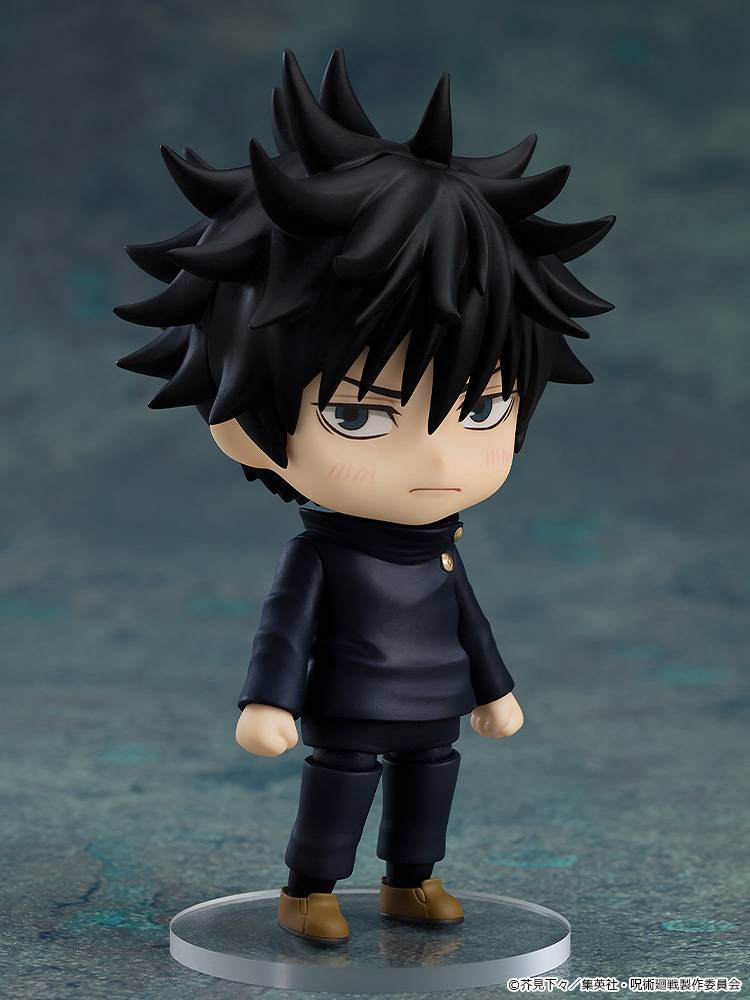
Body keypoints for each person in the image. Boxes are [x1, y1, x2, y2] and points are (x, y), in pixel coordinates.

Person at [115, 48, 614, 945]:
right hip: (347, 704)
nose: (440, 456)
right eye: (357, 414)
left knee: (431, 782)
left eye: (483, 407)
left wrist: (495, 689)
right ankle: (309, 889)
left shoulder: (441, 546)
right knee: (340, 783)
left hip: (435, 702)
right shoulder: (321, 554)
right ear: (240, 427)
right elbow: (285, 629)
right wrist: (267, 702)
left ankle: (411, 880)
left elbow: (466, 617)